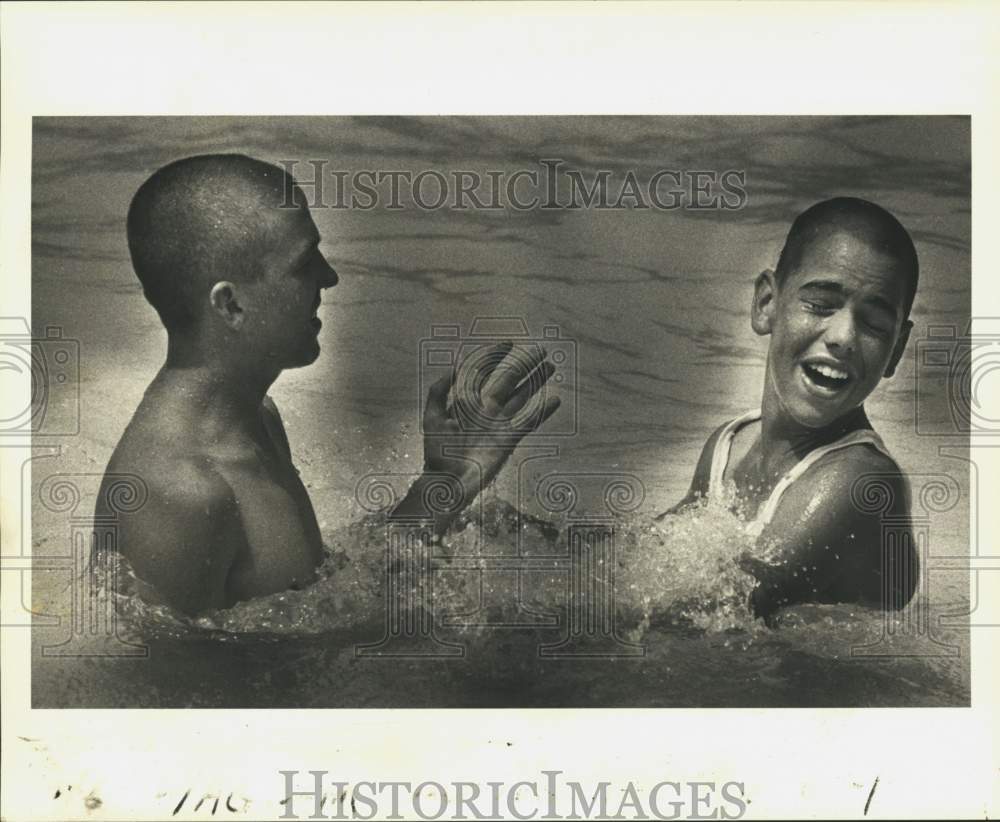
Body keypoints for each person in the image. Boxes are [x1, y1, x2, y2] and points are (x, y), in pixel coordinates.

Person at [96, 154, 559, 616]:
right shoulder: (175, 497)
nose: (329, 276)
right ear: (230, 305)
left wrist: (442, 486)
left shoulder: (255, 419)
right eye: (303, 263)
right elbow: (165, 687)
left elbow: (314, 593)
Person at [659, 197, 920, 620]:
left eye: (874, 323)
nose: (843, 336)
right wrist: (513, 522)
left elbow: (726, 610)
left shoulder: (861, 483)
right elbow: (635, 558)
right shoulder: (729, 446)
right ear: (767, 304)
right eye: (820, 304)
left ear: (897, 350)